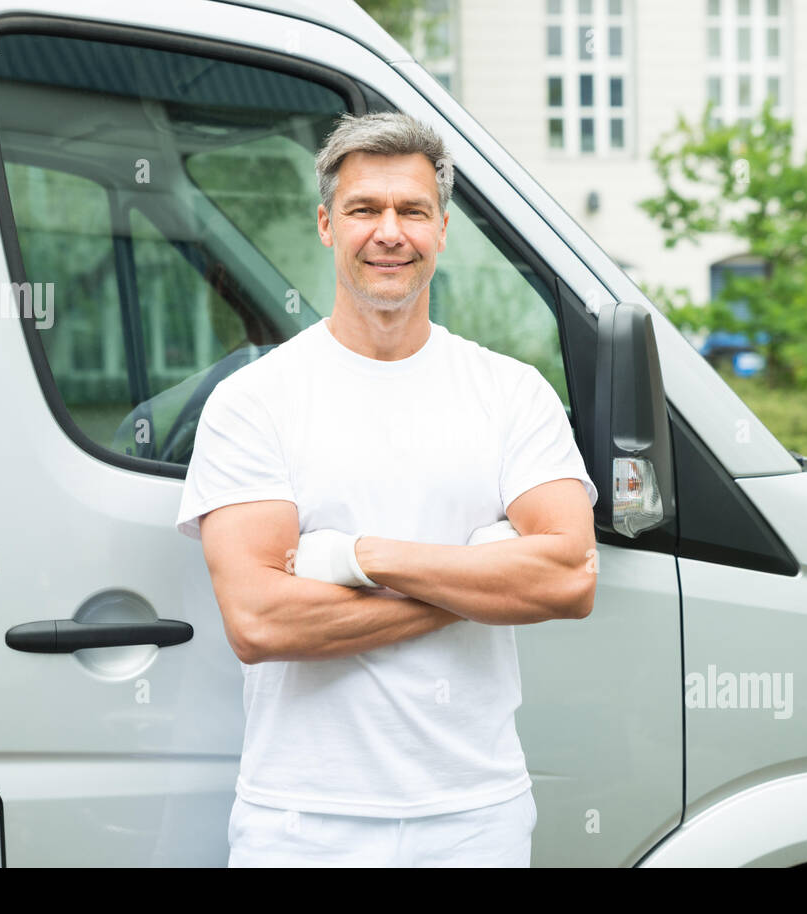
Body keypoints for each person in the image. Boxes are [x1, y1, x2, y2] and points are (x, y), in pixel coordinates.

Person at [175, 111, 598, 867]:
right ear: (326, 224)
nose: (389, 231)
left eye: (412, 210)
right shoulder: (254, 401)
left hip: (476, 817)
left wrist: (357, 556)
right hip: (301, 822)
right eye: (365, 209)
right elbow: (261, 622)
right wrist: (477, 576)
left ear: (442, 228)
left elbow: (569, 575)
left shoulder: (511, 393)